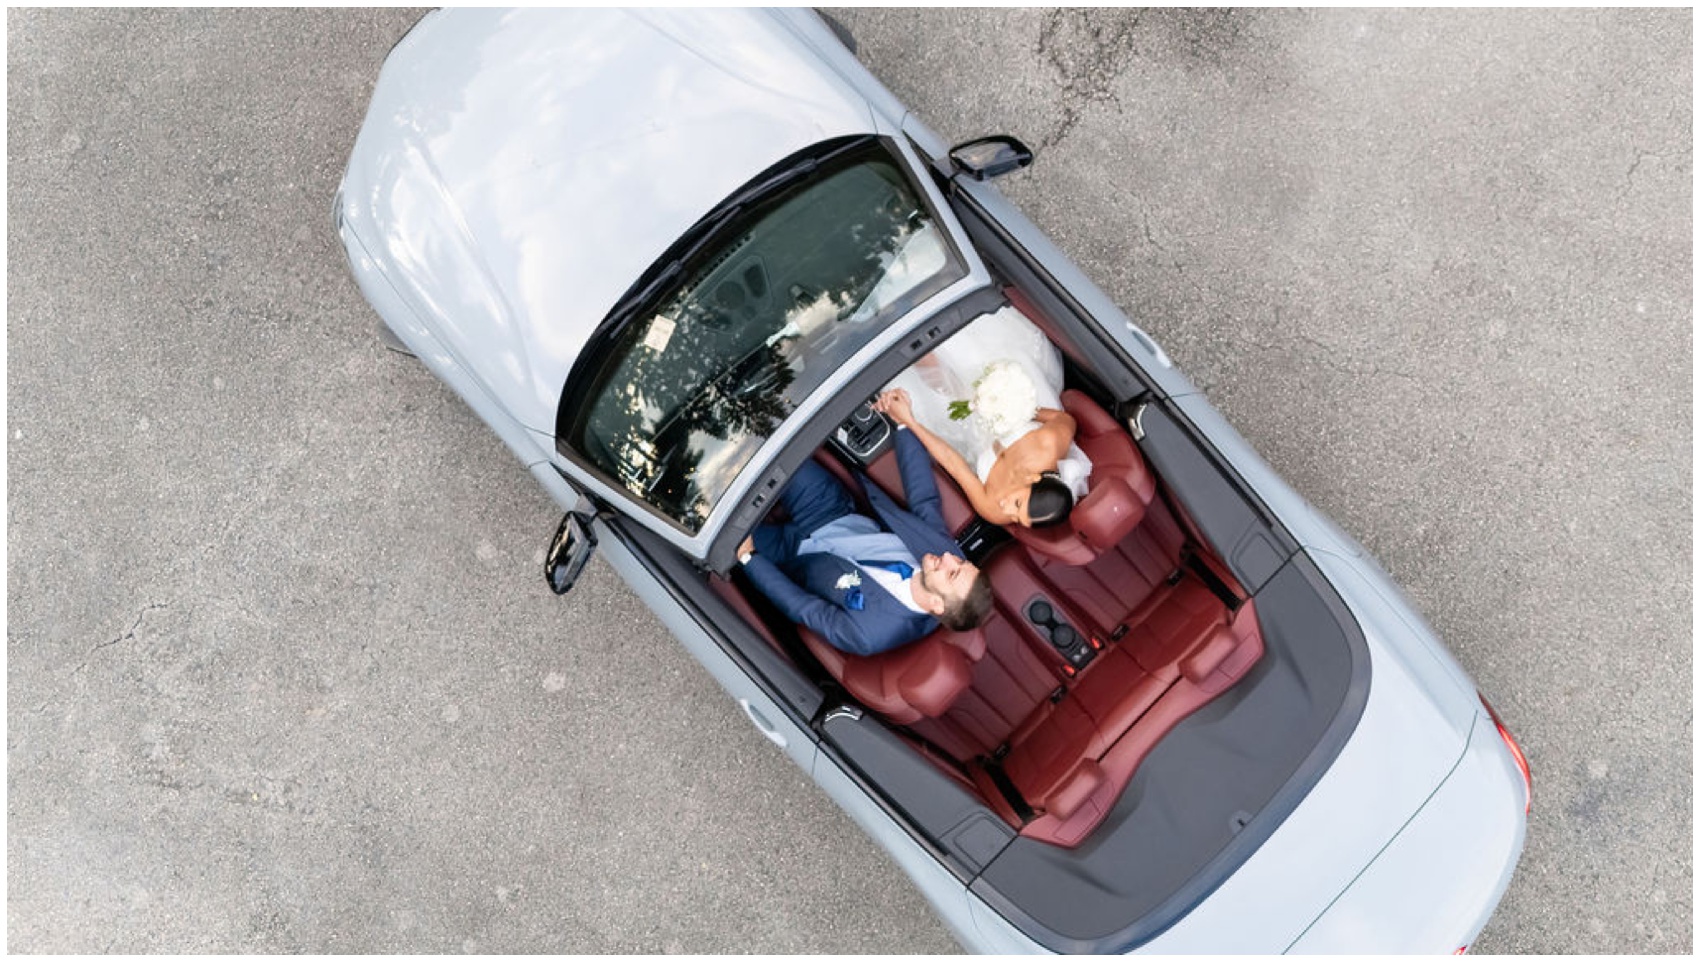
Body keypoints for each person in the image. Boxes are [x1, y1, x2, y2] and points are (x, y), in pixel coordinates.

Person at [735, 427, 993, 657]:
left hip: (791, 556)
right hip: (827, 510)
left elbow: (803, 607)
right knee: (769, 440)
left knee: (726, 517)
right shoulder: (942, 556)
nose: (948, 558)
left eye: (952, 573)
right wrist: (903, 424)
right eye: (959, 561)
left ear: (938, 604)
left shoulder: (870, 635)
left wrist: (750, 558)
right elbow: (924, 499)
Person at [879, 304, 1092, 528]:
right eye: (1017, 504)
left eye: (1016, 519)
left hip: (969, 431)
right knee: (962, 352)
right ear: (1033, 479)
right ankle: (923, 305)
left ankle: (892, 319)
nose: (1006, 510)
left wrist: (909, 421)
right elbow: (1065, 420)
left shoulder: (994, 512)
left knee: (932, 384)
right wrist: (1015, 406)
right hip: (1005, 393)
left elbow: (955, 465)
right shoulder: (1048, 445)